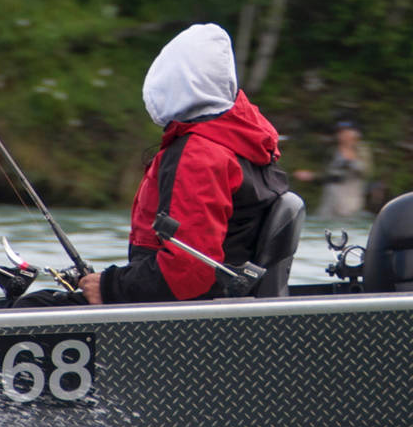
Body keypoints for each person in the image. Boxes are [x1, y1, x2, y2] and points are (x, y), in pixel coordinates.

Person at [76, 23, 289, 305]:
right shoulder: (244, 145)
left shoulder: (200, 155)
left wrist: (110, 288)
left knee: (32, 307)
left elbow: (189, 271)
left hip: (178, 316)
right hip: (209, 304)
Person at [295, 120, 370, 217]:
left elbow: (364, 172)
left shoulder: (362, 151)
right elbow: (328, 174)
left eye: (346, 132)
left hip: (350, 201)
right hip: (330, 199)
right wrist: (312, 176)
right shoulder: (333, 151)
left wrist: (350, 154)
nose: (342, 135)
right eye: (340, 132)